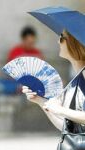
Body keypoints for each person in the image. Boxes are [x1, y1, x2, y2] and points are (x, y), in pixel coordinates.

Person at [23, 7, 85, 150]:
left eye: (62, 37)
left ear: (74, 43)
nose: (58, 42)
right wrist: (41, 101)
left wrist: (59, 109)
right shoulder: (77, 77)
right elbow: (68, 129)